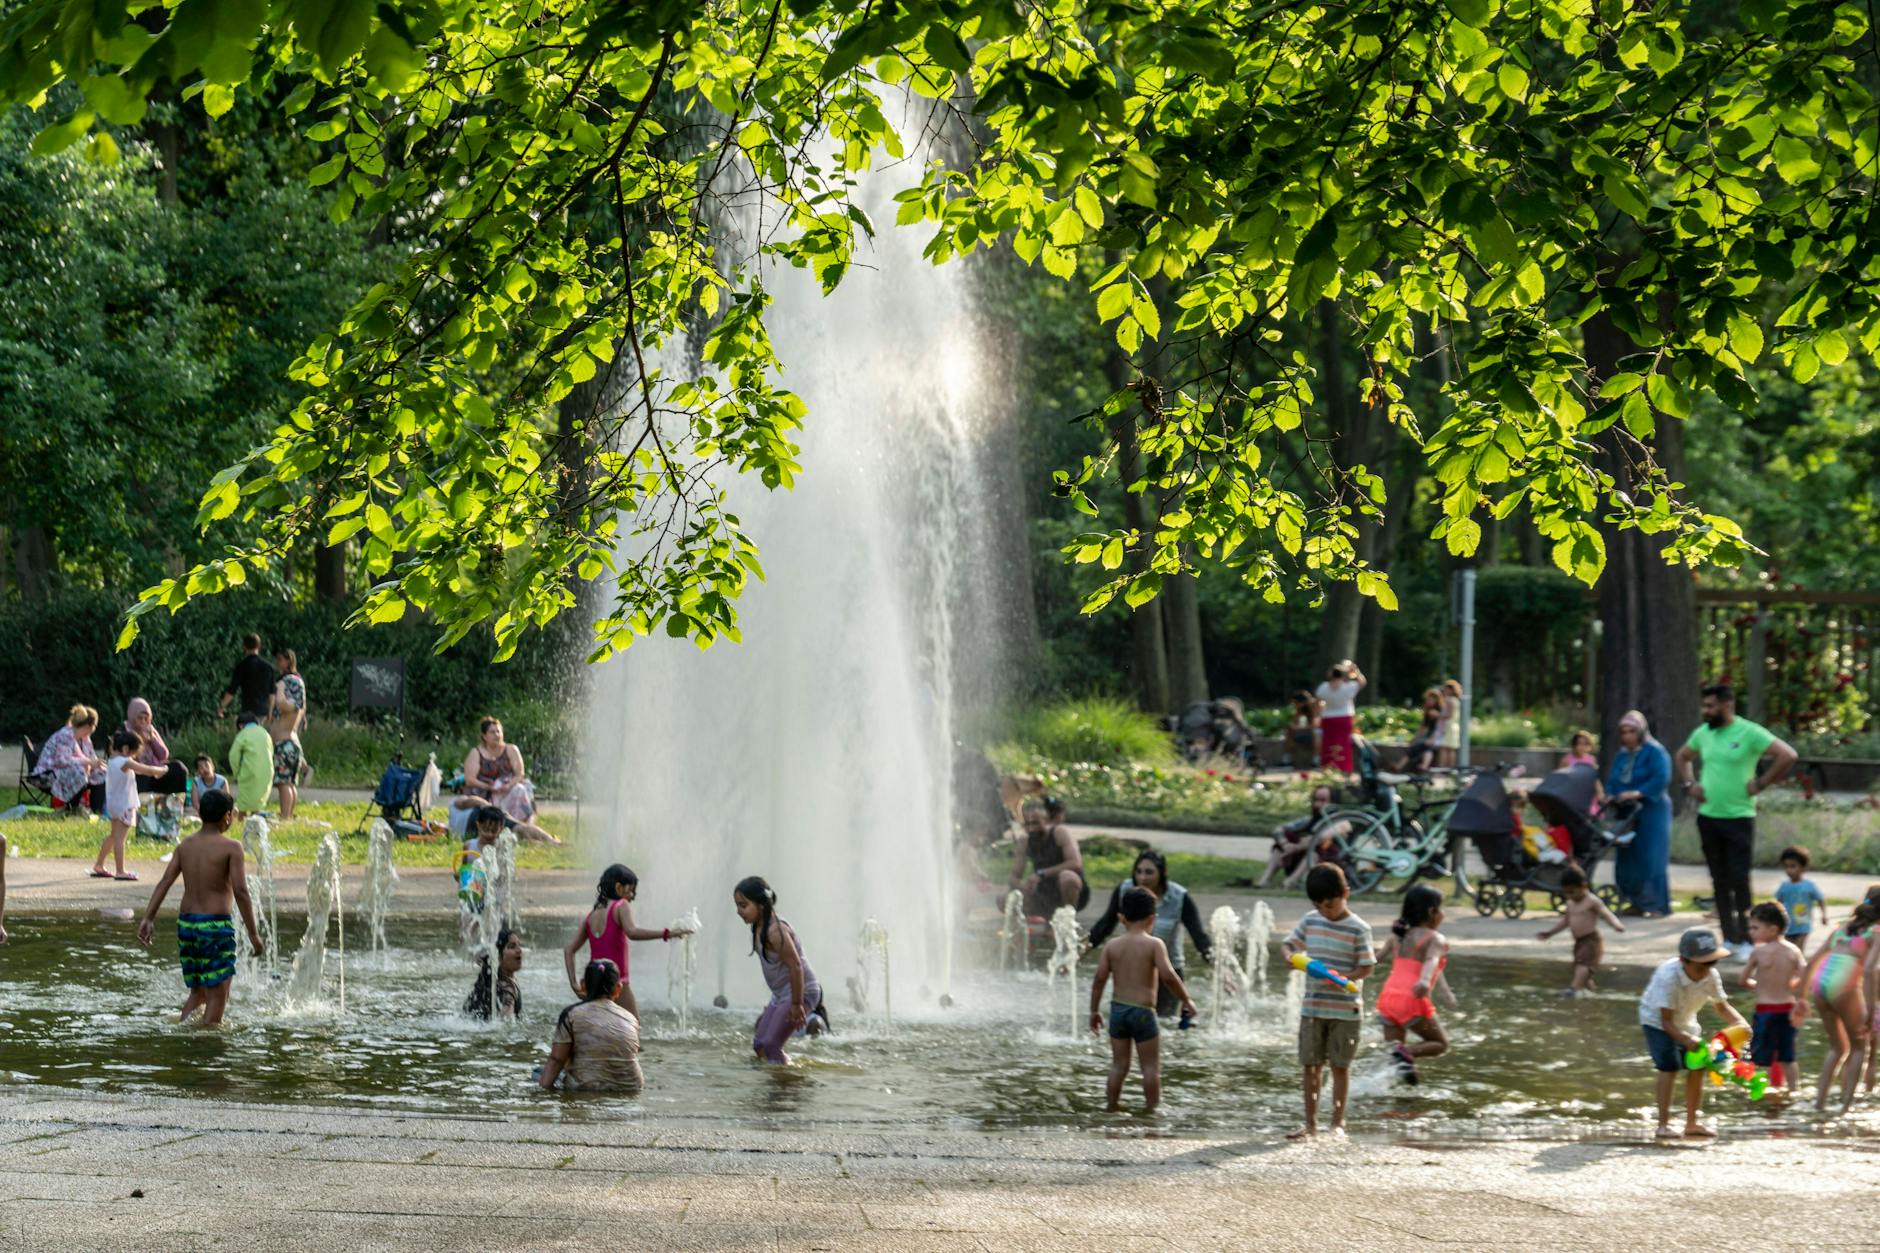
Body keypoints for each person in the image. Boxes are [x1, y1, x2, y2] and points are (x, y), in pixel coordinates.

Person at [1675, 683, 1798, 960]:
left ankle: (1746, 939)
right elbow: (1682, 756)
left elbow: (1787, 754)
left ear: (1727, 705)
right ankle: (1728, 937)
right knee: (1719, 879)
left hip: (1739, 817)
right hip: (1709, 817)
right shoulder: (1703, 733)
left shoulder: (1749, 732)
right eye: (1704, 705)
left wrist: (1762, 782)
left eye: (1711, 706)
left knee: (1739, 879)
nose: (1705, 711)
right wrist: (1689, 784)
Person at [134, 789, 265, 1027]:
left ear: (201, 813)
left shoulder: (186, 845)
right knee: (218, 993)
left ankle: (185, 1035)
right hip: (214, 926)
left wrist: (148, 918)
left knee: (198, 991)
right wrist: (253, 934)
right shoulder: (231, 847)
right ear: (227, 816)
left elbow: (165, 881)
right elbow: (241, 892)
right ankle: (207, 1046)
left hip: (187, 925)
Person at [1281, 864, 1375, 1139]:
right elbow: (1288, 944)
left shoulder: (1359, 929)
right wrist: (1290, 957)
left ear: (1345, 893)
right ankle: (1310, 1124)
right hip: (1313, 1007)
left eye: (1330, 905)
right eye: (1319, 906)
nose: (1326, 911)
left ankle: (1337, 1123)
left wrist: (1342, 977)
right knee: (1311, 1065)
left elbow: (1367, 967)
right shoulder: (1311, 921)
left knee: (1340, 1066)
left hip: (1346, 1010)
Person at [1088, 886, 1197, 1113]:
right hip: (1143, 1012)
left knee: (1119, 1065)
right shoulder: (1154, 944)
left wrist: (1094, 1011)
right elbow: (1168, 976)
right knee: (1150, 1068)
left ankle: (1112, 1105)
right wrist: (1186, 1000)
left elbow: (1098, 980)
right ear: (1152, 918)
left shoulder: (1112, 946)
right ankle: (1152, 1109)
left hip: (1118, 1011)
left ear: (1121, 917)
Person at [1637, 927, 1746, 1139]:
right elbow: (1666, 1022)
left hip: (1686, 1022)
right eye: (1701, 965)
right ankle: (1662, 1124)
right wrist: (1687, 1040)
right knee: (1669, 1067)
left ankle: (1691, 1123)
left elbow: (1722, 1007)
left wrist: (1740, 1024)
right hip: (1657, 1023)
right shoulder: (1668, 977)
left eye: (1711, 963)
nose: (1706, 969)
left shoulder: (1710, 976)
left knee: (1698, 1066)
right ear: (1683, 960)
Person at [1086, 851, 1213, 1016]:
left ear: (1163, 872)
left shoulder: (1179, 897)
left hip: (1168, 970)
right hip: (1135, 969)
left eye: (1149, 872)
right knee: (1131, 1017)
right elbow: (1105, 924)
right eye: (1138, 871)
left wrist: (1220, 969)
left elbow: (1199, 937)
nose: (1142, 878)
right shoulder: (1126, 889)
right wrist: (1079, 951)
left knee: (1164, 1022)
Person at [563, 863, 690, 1020]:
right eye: (630, 890)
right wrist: (667, 934)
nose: (632, 896)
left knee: (602, 1031)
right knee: (633, 1031)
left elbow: (569, 950)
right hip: (615, 982)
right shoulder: (621, 906)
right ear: (618, 887)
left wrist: (574, 984)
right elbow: (632, 932)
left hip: (593, 982)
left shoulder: (592, 915)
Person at [734, 875, 830, 1063]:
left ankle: (789, 1083)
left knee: (771, 1045)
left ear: (761, 905)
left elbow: (795, 966)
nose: (738, 911)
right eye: (737, 905)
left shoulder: (775, 931)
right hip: (781, 993)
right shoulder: (759, 926)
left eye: (743, 905)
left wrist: (796, 1004)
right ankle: (775, 1075)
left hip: (801, 991)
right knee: (760, 1044)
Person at [1801, 897, 1880, 1113]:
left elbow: (1810, 963)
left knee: (1837, 1047)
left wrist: (1801, 998)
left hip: (1820, 983)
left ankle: (1819, 1103)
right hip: (1843, 985)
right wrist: (1871, 1010)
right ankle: (1846, 1107)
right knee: (1859, 1046)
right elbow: (1870, 969)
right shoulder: (1876, 932)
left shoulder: (1842, 927)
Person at [1375, 883, 1455, 1083]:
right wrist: (1424, 980)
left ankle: (1401, 1095)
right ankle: (1406, 1055)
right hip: (1411, 999)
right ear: (1432, 911)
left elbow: (1374, 960)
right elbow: (1431, 961)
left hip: (1388, 999)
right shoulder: (1435, 938)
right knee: (1440, 1044)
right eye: (1442, 909)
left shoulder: (1398, 936)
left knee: (1397, 1059)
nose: (1443, 914)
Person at [538, 959, 643, 1093]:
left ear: (583, 985)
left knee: (538, 1073)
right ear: (618, 989)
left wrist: (540, 1094)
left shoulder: (571, 1014)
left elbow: (557, 1059)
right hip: (631, 1088)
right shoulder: (631, 1019)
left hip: (587, 1087)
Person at [1606, 709, 1672, 918]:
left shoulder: (1655, 751)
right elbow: (1613, 780)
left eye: (1631, 731)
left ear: (1641, 731)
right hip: (1626, 811)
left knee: (1651, 856)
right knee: (1628, 857)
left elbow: (1661, 777)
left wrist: (1639, 793)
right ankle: (1635, 901)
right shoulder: (1622, 754)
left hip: (1651, 809)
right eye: (1623, 732)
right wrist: (1610, 795)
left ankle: (1657, 904)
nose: (1627, 736)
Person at [1741, 901, 1806, 1100]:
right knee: (1788, 1054)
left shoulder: (1759, 952)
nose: (1751, 932)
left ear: (1772, 929)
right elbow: (1805, 977)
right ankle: (1794, 1090)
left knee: (1762, 1056)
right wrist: (1791, 986)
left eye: (1755, 927)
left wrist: (1758, 986)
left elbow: (1742, 980)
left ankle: (1765, 1091)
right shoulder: (1793, 951)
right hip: (1788, 1008)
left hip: (1765, 1009)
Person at [91, 730, 169, 881]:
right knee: (120, 838)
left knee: (114, 836)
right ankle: (120, 871)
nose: (134, 756)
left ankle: (99, 865)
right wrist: (163, 770)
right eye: (134, 752)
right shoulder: (125, 762)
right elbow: (149, 770)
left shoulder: (112, 761)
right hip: (125, 805)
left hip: (114, 805)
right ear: (126, 749)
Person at [1535, 866, 1625, 996]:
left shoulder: (1592, 901)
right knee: (1582, 969)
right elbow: (1566, 921)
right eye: (1566, 893)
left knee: (1582, 965)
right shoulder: (1571, 903)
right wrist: (1550, 933)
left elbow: (1606, 914)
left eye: (1572, 892)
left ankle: (1573, 989)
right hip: (1579, 942)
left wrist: (1616, 925)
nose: (1569, 896)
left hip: (1591, 941)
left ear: (1584, 886)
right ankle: (1591, 993)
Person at [1010, 797, 1088, 915]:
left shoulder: (1060, 832)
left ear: (1046, 820)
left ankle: (1067, 920)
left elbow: (1075, 863)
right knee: (1003, 899)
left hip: (1069, 889)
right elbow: (1015, 875)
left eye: (1035, 823)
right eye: (1027, 824)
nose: (1031, 828)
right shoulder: (1024, 841)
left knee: (1067, 877)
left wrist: (1041, 874)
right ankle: (1044, 916)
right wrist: (1022, 885)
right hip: (1043, 892)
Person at [1257, 785, 1341, 889]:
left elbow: (1321, 837)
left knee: (1317, 849)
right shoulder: (1308, 820)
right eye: (1316, 800)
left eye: (1323, 800)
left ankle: (1289, 883)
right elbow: (1278, 830)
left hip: (1328, 866)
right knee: (1282, 843)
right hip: (1300, 861)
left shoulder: (1342, 821)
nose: (1318, 804)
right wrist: (1285, 844)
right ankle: (1264, 880)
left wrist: (1296, 848)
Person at [462, 717, 538, 826]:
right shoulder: (476, 752)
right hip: (485, 790)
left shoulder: (511, 749)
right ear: (484, 736)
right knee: (515, 790)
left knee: (522, 788)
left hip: (509, 786)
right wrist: (489, 787)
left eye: (499, 731)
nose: (497, 735)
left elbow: (520, 774)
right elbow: (469, 780)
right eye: (492, 732)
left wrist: (508, 785)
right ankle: (507, 823)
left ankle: (525, 825)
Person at [36, 704, 105, 816]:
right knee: (80, 773)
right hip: (48, 774)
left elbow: (91, 757)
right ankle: (71, 809)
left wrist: (97, 764)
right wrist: (87, 762)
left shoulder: (85, 739)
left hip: (67, 773)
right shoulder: (66, 735)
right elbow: (62, 761)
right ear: (89, 725)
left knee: (102, 773)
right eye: (95, 726)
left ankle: (96, 813)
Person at [268, 648, 308, 821]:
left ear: (288, 660)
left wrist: (280, 689)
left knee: (284, 784)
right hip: (291, 743)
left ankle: (285, 817)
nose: (277, 663)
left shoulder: (290, 684)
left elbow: (283, 705)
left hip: (285, 744)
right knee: (289, 783)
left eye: (280, 659)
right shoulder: (296, 689)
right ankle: (289, 815)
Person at [1314, 661, 1365, 773]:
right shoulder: (1349, 687)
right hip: (1344, 718)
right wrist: (1355, 671)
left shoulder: (1323, 687)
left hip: (1328, 718)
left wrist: (1316, 716)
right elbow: (1362, 682)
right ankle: (1344, 768)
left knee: (1328, 743)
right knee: (1344, 743)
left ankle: (1328, 768)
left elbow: (1317, 703)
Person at [465, 926, 524, 1020]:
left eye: (519, 945)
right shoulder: (507, 987)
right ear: (498, 957)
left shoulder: (491, 982)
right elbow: (506, 1023)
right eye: (512, 947)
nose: (519, 950)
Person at [1773, 846, 1828, 944]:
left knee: (1798, 950)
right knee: (1788, 951)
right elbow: (1778, 903)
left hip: (1803, 925)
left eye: (1793, 866)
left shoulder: (1809, 885)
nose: (1789, 870)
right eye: (1786, 866)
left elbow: (1820, 899)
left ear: (1803, 867)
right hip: (1787, 926)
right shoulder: (1784, 886)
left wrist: (1823, 915)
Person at [217, 631, 275, 723]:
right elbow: (272, 693)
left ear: (244, 646)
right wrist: (270, 712)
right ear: (259, 646)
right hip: (263, 711)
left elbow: (232, 690)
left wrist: (222, 707)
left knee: (247, 735)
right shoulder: (268, 667)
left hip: (247, 709)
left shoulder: (242, 666)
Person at [228, 713, 274, 816]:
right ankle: (256, 819)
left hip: (249, 770)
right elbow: (271, 751)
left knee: (244, 800)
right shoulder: (265, 733)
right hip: (267, 770)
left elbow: (233, 755)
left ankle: (241, 820)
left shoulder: (243, 734)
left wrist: (236, 772)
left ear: (241, 725)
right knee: (258, 799)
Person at [1397, 688, 1442, 773]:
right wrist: (1415, 738)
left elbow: (1439, 727)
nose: (1429, 701)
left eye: (1432, 699)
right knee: (1422, 748)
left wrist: (1432, 738)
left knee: (1424, 747)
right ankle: (1421, 766)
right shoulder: (1429, 711)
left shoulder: (1436, 712)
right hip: (1430, 738)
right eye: (1428, 699)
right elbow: (1423, 727)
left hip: (1436, 738)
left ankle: (1401, 766)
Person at [1286, 690, 1320, 770]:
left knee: (1315, 733)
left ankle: (1316, 760)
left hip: (1317, 731)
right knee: (1289, 731)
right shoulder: (1301, 709)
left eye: (1296, 703)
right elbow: (1295, 721)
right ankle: (1286, 759)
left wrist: (1300, 727)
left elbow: (1315, 724)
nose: (1295, 705)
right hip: (1305, 730)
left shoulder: (1315, 706)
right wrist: (1293, 725)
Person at [1435, 678, 1463, 770]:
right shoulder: (1456, 700)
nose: (1444, 691)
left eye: (1446, 689)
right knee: (1451, 749)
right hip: (1453, 726)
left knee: (1444, 749)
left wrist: (1437, 715)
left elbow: (1448, 714)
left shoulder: (1449, 700)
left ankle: (1442, 769)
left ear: (1451, 690)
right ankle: (1450, 770)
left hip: (1447, 726)